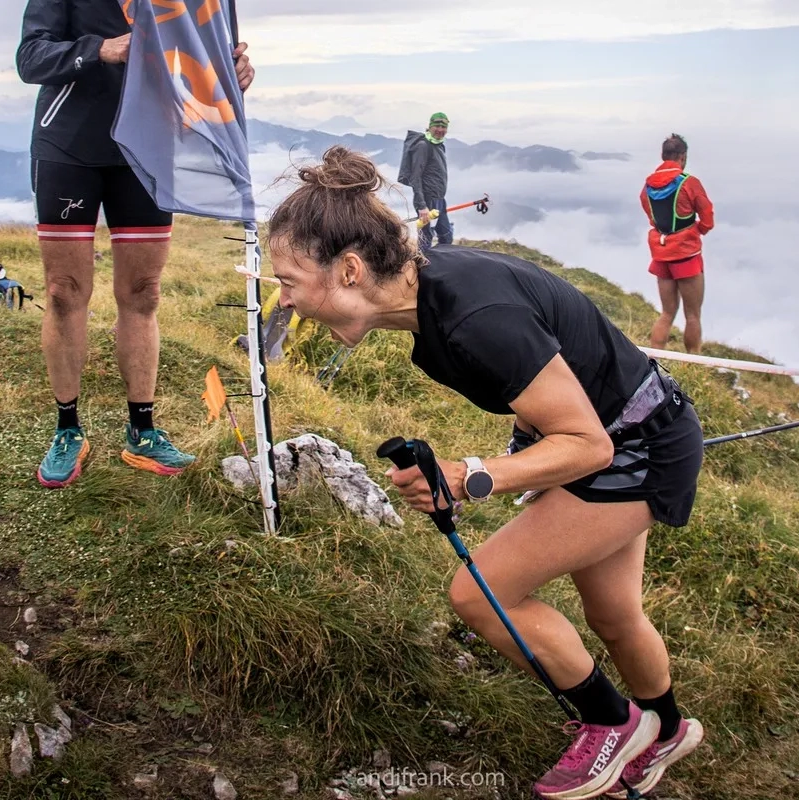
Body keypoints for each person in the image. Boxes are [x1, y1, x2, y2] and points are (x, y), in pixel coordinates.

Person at [267, 146, 707, 799]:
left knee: (480, 593)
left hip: (638, 450)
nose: (285, 300)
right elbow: (549, 382)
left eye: (289, 280)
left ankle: (614, 724)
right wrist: (515, 455)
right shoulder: (432, 305)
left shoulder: (473, 319)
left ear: (350, 270)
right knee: (614, 615)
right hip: (632, 428)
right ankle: (666, 731)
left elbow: (588, 446)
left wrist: (472, 475)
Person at [16, 0, 255, 488]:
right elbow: (31, 58)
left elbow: (200, 54)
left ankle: (142, 432)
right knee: (63, 291)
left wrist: (231, 73)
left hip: (149, 146)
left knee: (143, 292)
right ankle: (67, 430)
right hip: (69, 146)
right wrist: (100, 50)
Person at [640, 134, 714, 355]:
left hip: (661, 253)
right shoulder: (689, 183)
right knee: (692, 315)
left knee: (666, 313)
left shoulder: (648, 186)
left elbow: (652, 217)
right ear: (682, 157)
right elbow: (707, 217)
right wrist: (698, 230)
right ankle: (693, 362)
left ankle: (654, 359)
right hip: (686, 255)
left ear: (663, 155)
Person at [401, 112, 453, 252]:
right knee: (425, 238)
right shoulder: (423, 146)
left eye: (443, 127)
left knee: (446, 236)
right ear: (430, 126)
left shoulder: (439, 145)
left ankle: (440, 262)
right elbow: (415, 177)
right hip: (427, 200)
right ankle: (422, 264)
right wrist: (422, 206)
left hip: (439, 199)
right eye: (437, 126)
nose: (440, 130)